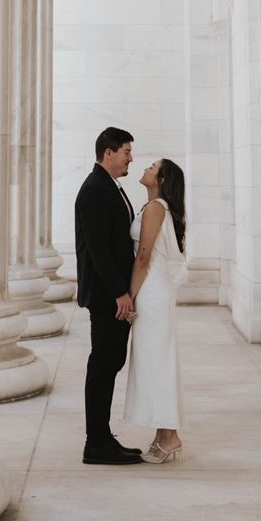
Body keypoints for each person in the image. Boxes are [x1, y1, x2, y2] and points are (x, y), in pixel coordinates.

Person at [74, 126, 145, 465]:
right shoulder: (94, 190)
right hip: (106, 297)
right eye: (127, 151)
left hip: (112, 294)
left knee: (109, 362)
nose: (131, 157)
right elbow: (99, 251)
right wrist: (120, 293)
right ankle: (96, 442)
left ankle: (102, 436)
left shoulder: (108, 187)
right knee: (103, 364)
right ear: (109, 153)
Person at [123, 159, 188, 461]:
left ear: (161, 178)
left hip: (151, 291)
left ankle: (170, 435)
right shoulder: (153, 206)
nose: (145, 168)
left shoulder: (155, 208)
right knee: (154, 362)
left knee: (157, 363)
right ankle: (164, 433)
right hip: (154, 289)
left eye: (151, 167)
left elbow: (143, 257)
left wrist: (130, 296)